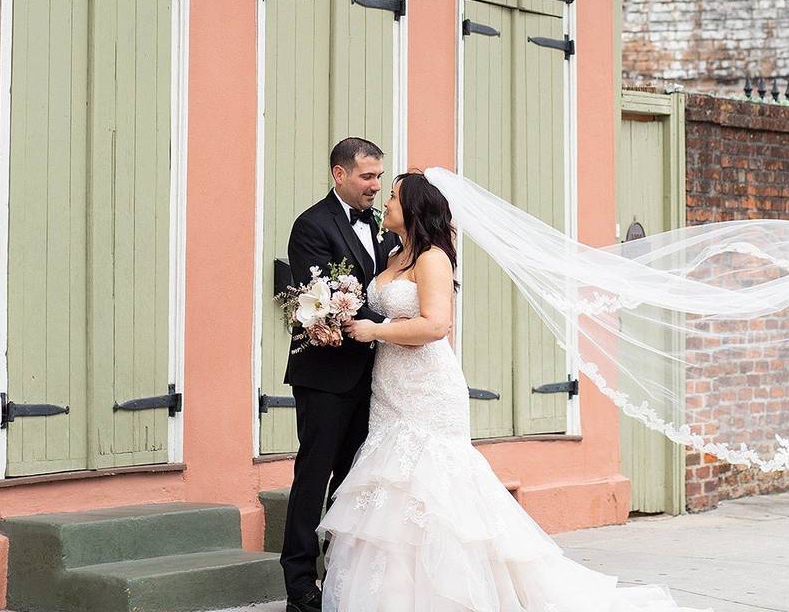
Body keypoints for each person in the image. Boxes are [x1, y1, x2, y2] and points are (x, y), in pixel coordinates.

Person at [318, 171, 709, 611]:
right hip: (390, 388)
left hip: (427, 386)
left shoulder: (432, 259)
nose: (385, 202)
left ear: (412, 208)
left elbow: (436, 325)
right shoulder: (391, 256)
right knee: (393, 487)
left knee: (436, 485)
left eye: (392, 196)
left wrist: (375, 329)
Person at [280, 138, 401, 612]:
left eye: (379, 176)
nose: (376, 185)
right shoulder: (311, 225)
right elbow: (321, 296)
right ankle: (300, 586)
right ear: (339, 175)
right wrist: (396, 327)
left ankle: (343, 577)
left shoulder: (382, 224)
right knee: (313, 478)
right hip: (326, 377)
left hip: (376, 378)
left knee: (355, 480)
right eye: (367, 176)